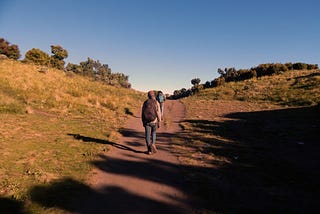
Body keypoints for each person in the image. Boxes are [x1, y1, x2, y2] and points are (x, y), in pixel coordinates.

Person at [141, 90, 162, 155]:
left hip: (147, 121)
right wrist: (159, 121)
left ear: (148, 96)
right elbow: (158, 113)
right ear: (154, 95)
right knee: (154, 133)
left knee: (147, 135)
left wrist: (143, 121)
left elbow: (142, 113)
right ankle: (153, 144)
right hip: (154, 121)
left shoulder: (145, 102)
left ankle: (149, 150)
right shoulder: (156, 102)